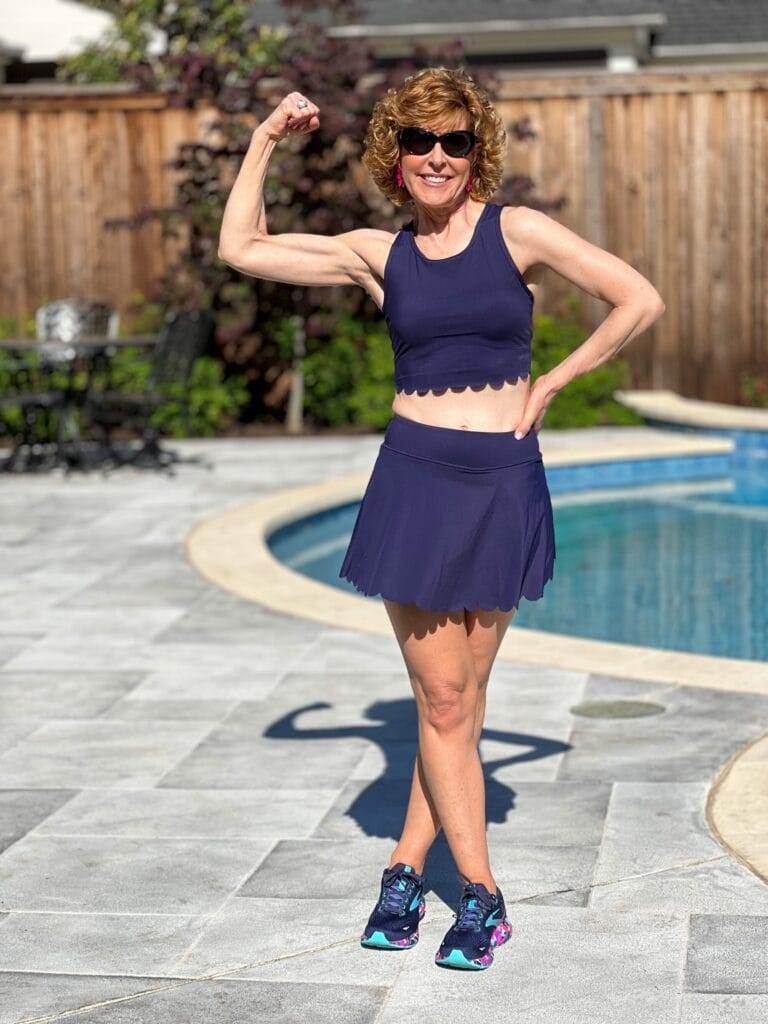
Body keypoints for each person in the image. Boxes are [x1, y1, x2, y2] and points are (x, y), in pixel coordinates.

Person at [218, 66, 665, 971]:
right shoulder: (377, 256)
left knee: (457, 703)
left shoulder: (519, 231)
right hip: (417, 483)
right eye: (419, 141)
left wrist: (554, 382)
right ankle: (483, 899)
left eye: (455, 142)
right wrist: (266, 137)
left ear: (476, 152)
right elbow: (243, 248)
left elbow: (639, 299)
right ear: (396, 153)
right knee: (446, 697)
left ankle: (401, 867)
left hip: (503, 479)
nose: (437, 157)